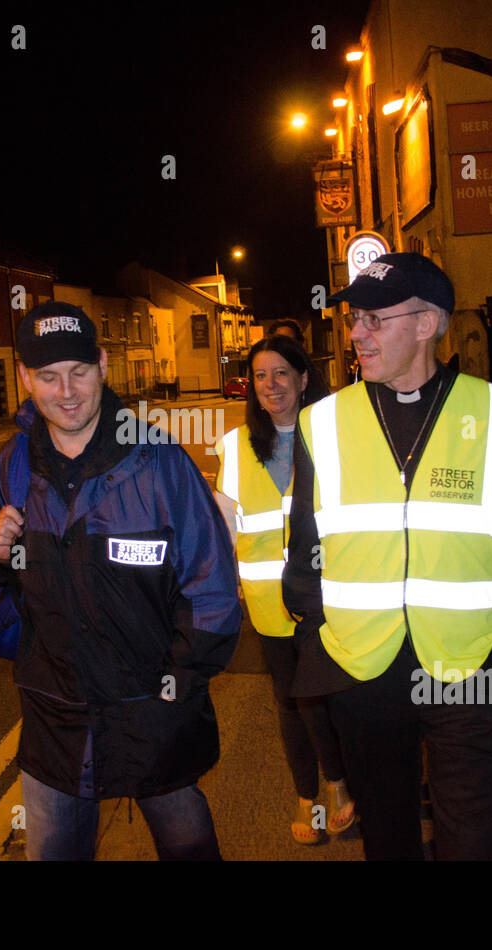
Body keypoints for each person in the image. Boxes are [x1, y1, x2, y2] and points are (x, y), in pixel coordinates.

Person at [283, 252, 492, 860]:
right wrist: (319, 635)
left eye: (374, 320)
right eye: (355, 318)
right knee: (388, 841)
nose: (356, 333)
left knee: (471, 843)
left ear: (428, 323)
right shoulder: (322, 423)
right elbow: (305, 556)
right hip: (364, 670)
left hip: (475, 667)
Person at [0, 301, 241, 861]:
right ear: (24, 378)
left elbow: (211, 590)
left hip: (152, 710)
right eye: (47, 376)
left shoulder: (159, 462)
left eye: (79, 371)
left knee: (188, 845)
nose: (66, 391)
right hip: (54, 718)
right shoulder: (12, 466)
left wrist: (177, 688)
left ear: (104, 365)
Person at [213, 335, 352, 844]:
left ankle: (338, 783)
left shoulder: (332, 438)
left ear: (302, 378)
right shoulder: (234, 444)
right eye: (260, 376)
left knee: (323, 697)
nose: (269, 385)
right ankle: (307, 796)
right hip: (269, 604)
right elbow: (223, 529)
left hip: (326, 597)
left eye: (280, 374)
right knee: (290, 701)